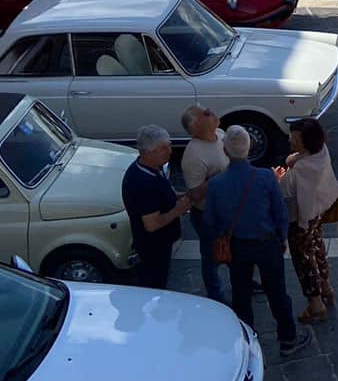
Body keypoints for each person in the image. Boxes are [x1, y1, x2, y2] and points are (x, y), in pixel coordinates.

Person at [205, 126, 311, 355]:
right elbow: (280, 212)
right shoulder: (264, 177)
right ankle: (288, 339)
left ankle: (249, 345)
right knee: (277, 293)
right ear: (250, 147)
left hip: (237, 247)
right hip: (267, 244)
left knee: (241, 296)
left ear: (225, 150)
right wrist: (281, 238)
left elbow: (211, 221)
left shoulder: (215, 185)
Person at [279, 118, 338, 324]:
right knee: (317, 247)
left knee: (304, 260)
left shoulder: (302, 169)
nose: (291, 140)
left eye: (295, 138)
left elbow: (285, 189)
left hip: (301, 220)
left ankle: (316, 304)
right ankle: (326, 287)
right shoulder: (320, 152)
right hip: (318, 213)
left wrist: (279, 175)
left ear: (306, 141)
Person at [122, 125, 192, 290]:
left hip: (160, 243)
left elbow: (162, 191)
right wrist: (179, 209)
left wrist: (177, 195)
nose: (170, 151)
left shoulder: (151, 167)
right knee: (155, 284)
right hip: (153, 247)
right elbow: (152, 224)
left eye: (169, 145)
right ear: (147, 152)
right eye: (163, 148)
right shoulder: (144, 183)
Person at [178, 105, 230, 302]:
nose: (211, 110)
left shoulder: (220, 134)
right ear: (196, 127)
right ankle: (215, 296)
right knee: (212, 258)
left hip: (229, 211)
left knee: (236, 249)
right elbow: (195, 194)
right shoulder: (193, 157)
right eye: (206, 113)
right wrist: (223, 177)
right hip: (209, 216)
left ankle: (245, 282)